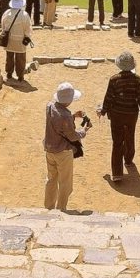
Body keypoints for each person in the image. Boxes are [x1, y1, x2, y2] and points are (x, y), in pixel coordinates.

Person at [97, 52, 140, 183]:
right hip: (131, 114)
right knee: (130, 136)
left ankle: (117, 174)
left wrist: (103, 111)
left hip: (117, 114)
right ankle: (128, 159)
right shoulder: (137, 79)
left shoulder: (114, 79)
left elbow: (108, 97)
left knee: (117, 142)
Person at [44, 82, 91, 211]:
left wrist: (73, 116)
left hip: (49, 149)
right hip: (63, 152)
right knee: (65, 182)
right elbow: (72, 136)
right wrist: (84, 130)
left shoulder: (49, 106)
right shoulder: (65, 116)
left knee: (51, 179)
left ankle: (48, 207)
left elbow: (57, 120)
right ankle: (61, 209)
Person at [0, 0, 32, 82]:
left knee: (9, 57)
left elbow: (3, 26)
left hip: (9, 39)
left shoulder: (6, 13)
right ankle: (20, 76)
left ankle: (9, 73)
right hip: (20, 40)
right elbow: (28, 28)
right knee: (21, 59)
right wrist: (27, 37)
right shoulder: (25, 15)